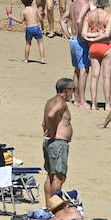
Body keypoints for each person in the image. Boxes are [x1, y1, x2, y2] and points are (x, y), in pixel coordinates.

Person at [41, 78, 73, 206]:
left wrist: (49, 128)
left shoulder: (50, 101)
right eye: (72, 90)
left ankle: (48, 206)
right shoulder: (61, 103)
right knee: (59, 178)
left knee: (51, 176)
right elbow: (50, 115)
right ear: (66, 90)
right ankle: (55, 208)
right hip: (58, 144)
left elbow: (45, 121)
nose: (73, 93)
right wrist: (53, 130)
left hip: (51, 143)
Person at [82, 0, 111, 108]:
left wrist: (92, 38)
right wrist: (97, 37)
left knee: (94, 76)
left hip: (93, 48)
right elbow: (107, 34)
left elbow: (84, 33)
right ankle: (107, 104)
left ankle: (94, 104)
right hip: (106, 47)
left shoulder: (89, 15)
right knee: (106, 77)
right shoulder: (108, 16)